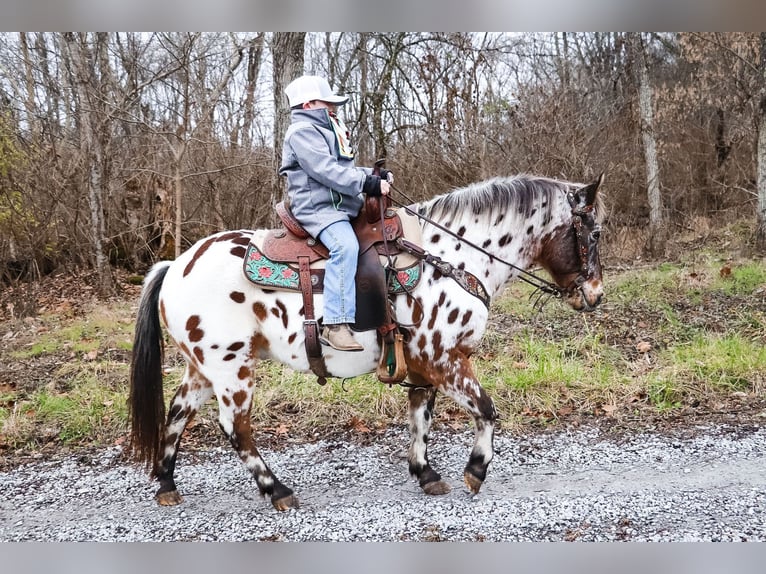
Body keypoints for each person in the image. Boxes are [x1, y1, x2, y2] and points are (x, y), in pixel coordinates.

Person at [279, 75, 393, 352]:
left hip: (343, 207)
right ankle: (335, 324)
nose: (333, 107)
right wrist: (366, 184)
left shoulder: (329, 130)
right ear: (308, 105)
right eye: (326, 102)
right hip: (320, 211)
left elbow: (343, 167)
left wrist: (373, 174)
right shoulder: (302, 132)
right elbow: (325, 170)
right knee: (345, 247)